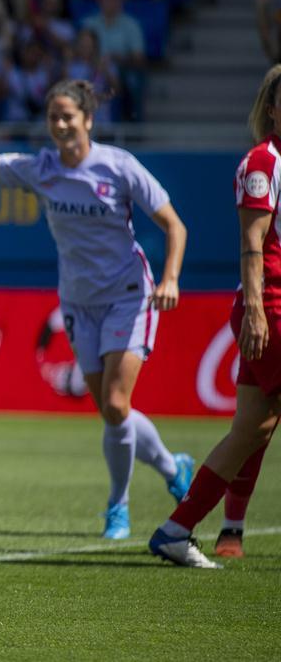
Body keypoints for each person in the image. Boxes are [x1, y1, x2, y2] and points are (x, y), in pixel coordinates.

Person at [0, 74, 193, 539]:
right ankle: (173, 469)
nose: (60, 124)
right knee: (113, 410)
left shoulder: (120, 166)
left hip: (129, 296)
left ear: (88, 120)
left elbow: (174, 225)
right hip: (77, 301)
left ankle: (118, 507)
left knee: (115, 403)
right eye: (53, 117)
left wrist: (170, 278)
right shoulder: (42, 167)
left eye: (67, 116)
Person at [149, 65, 281, 568]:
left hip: (268, 308)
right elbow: (252, 244)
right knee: (255, 427)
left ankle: (177, 528)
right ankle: (187, 528)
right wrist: (255, 309)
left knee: (253, 429)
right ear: (272, 107)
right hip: (271, 306)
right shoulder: (263, 163)